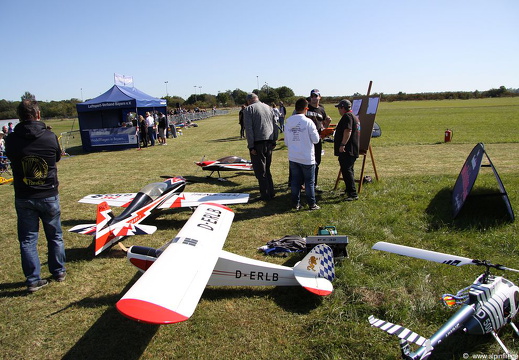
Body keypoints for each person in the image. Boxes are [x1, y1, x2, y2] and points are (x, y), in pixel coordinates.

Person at [5, 99, 66, 292]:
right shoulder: (49, 137)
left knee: (28, 239)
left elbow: (11, 157)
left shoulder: (12, 139)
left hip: (24, 196)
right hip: (48, 194)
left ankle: (32, 279)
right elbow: (56, 157)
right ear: (38, 115)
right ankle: (58, 271)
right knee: (55, 235)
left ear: (20, 117)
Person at [284, 98, 320, 210]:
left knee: (295, 181)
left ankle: (295, 203)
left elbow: (286, 142)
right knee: (309, 182)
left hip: (294, 156)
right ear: (306, 108)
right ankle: (312, 204)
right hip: (306, 157)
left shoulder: (288, 122)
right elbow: (316, 140)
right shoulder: (309, 122)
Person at [243, 93, 278, 201]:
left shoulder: (249, 110)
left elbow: (249, 129)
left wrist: (251, 146)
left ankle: (265, 194)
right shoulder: (268, 107)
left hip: (258, 143)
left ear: (249, 101)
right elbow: (275, 125)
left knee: (260, 171)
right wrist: (274, 140)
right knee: (267, 169)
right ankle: (271, 192)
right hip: (269, 141)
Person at [334, 99, 361, 201]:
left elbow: (348, 130)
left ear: (342, 107)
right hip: (352, 149)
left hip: (348, 149)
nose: (338, 110)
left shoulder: (347, 116)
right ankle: (349, 190)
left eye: (339, 108)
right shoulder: (354, 116)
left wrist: (342, 144)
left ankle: (353, 194)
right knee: (349, 170)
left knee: (347, 170)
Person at [306, 89, 331, 191]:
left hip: (317, 139)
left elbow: (324, 125)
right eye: (312, 96)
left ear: (319, 97)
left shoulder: (321, 109)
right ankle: (304, 183)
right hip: (307, 139)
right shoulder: (306, 108)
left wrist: (328, 124)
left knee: (317, 161)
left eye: (316, 96)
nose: (314, 98)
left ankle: (314, 184)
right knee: (306, 162)